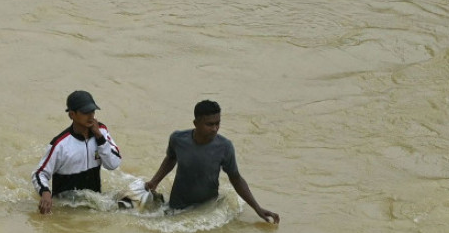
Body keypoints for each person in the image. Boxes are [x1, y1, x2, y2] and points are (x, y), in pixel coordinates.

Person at [144, 100, 280, 223]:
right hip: (177, 206)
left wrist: (257, 208)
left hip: (208, 211)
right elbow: (170, 159)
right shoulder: (178, 139)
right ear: (196, 123)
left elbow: (236, 178)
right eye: (209, 124)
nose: (215, 128)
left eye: (217, 123)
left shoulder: (225, 147)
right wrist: (155, 181)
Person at [32, 90, 122, 214]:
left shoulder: (102, 131)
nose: (91, 116)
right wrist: (45, 192)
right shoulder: (60, 144)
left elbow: (113, 164)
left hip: (94, 207)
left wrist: (100, 138)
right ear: (72, 115)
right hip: (65, 210)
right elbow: (39, 174)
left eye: (93, 111)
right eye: (85, 112)